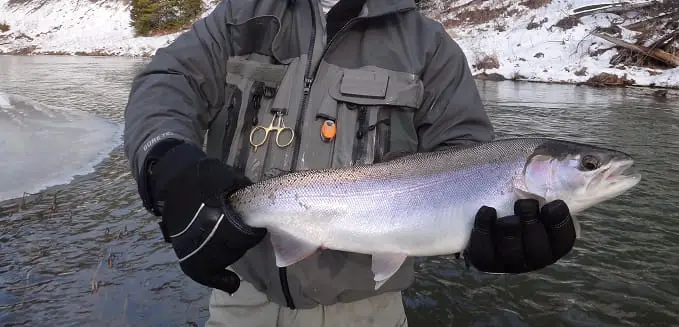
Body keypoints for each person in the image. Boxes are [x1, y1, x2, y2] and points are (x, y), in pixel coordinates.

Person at [123, 0, 578, 326]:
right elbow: (168, 81)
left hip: (369, 313)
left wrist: (494, 241)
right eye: (589, 166)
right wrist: (168, 159)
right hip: (240, 300)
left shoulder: (428, 46)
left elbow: (466, 154)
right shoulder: (240, 17)